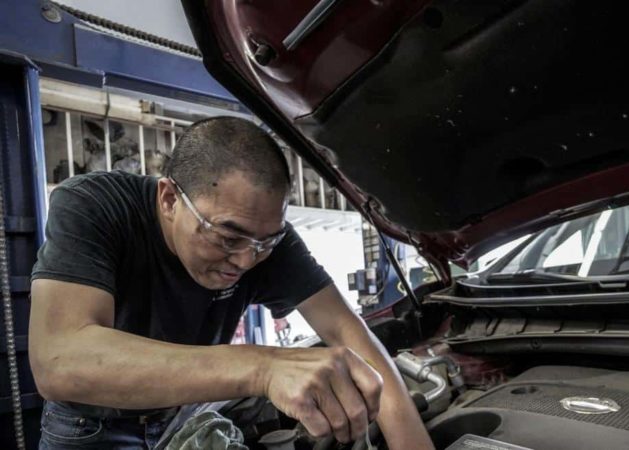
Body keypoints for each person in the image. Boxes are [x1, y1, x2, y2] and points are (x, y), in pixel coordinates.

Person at [28, 117, 434, 449]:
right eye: (227, 237)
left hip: (186, 413)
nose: (246, 259)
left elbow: (349, 335)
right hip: (91, 425)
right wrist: (262, 367)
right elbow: (60, 360)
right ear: (170, 200)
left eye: (265, 241)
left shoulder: (265, 242)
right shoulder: (97, 205)